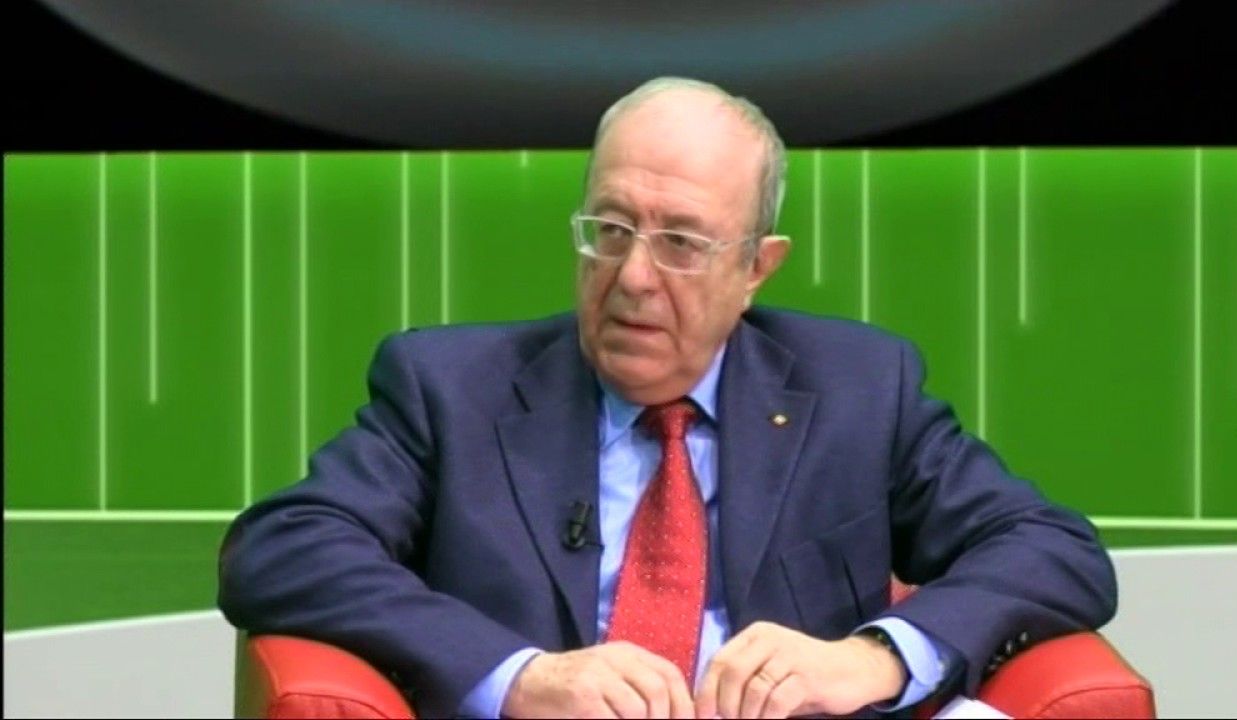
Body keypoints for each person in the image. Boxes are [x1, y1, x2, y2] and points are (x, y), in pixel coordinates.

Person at [218, 76, 1116, 719]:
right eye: (610, 230)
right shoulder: (449, 389)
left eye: (682, 243)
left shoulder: (859, 387)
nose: (634, 277)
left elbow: (1053, 549)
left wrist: (873, 656)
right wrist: (520, 675)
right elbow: (282, 548)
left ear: (756, 268)